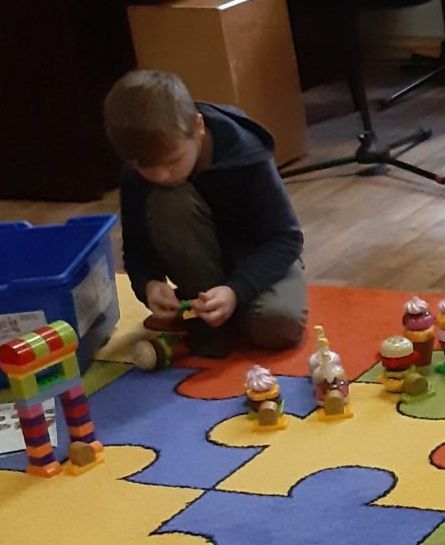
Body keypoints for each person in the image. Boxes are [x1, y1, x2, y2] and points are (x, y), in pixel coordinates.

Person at [104, 69, 308, 357]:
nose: (161, 175)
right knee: (168, 199)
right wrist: (149, 284)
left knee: (278, 323)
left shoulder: (245, 154)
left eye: (173, 160)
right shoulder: (137, 174)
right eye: (145, 167)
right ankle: (211, 320)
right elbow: (138, 251)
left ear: (198, 126)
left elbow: (286, 239)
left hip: (257, 261)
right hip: (200, 275)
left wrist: (235, 291)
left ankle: (222, 316)